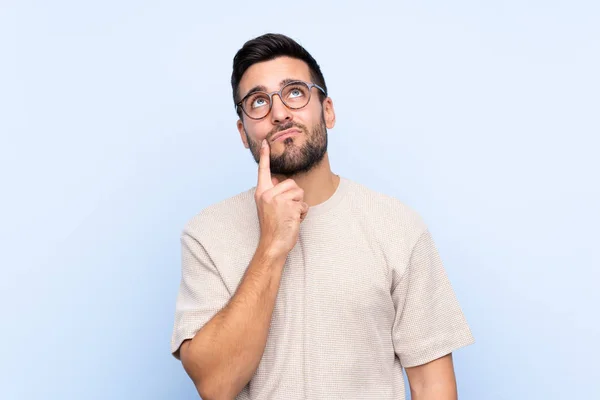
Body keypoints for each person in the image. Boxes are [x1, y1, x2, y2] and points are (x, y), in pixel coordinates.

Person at [170, 33, 475, 400]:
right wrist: (271, 246)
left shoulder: (397, 226)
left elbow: (432, 386)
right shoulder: (207, 234)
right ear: (243, 131)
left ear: (327, 110)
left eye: (295, 92)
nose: (279, 112)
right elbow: (215, 386)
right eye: (259, 102)